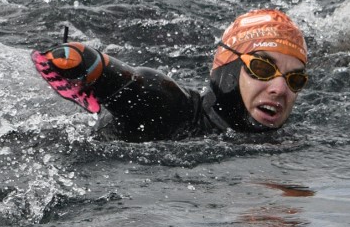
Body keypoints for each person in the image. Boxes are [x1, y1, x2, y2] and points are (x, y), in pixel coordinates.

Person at [32, 9, 309, 141]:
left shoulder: (289, 142)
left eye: (294, 79)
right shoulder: (170, 107)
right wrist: (88, 65)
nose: (279, 88)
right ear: (229, 68)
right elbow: (134, 83)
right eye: (262, 68)